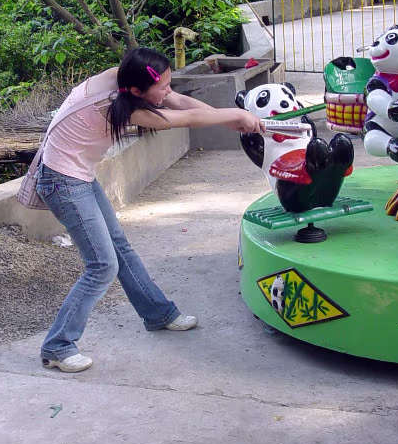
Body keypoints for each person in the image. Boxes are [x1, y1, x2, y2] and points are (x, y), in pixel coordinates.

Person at [36, 47, 266, 372]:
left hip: (78, 174)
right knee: (102, 265)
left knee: (120, 248)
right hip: (62, 182)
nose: (167, 91)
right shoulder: (118, 107)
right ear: (136, 91)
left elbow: (180, 102)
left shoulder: (122, 78)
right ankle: (58, 346)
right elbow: (186, 119)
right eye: (163, 86)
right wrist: (235, 117)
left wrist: (230, 118)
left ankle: (157, 314)